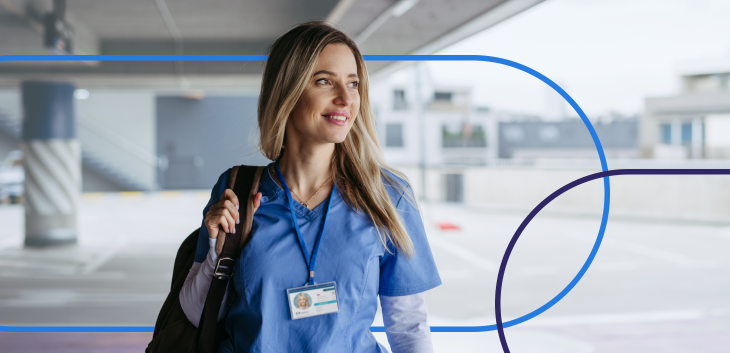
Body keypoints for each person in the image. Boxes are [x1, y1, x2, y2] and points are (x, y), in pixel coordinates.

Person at [179, 21, 441, 353]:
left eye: (353, 83)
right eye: (324, 81)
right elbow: (196, 314)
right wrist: (218, 251)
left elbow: (408, 326)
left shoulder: (388, 194)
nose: (346, 98)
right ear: (286, 90)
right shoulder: (237, 190)